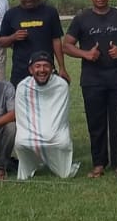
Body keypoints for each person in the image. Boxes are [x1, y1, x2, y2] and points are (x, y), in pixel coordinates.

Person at [64, 0, 117, 177]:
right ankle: (98, 163)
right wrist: (86, 54)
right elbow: (66, 45)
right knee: (95, 123)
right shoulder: (82, 18)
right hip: (92, 79)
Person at [14, 52, 79, 180]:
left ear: (52, 69)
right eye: (37, 66)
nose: (42, 70)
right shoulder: (23, 87)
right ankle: (31, 167)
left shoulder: (61, 85)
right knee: (21, 142)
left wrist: (48, 135)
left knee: (62, 143)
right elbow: (22, 118)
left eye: (46, 66)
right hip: (30, 132)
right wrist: (37, 135)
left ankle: (59, 167)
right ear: (31, 69)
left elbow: (59, 117)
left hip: (55, 132)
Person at [0, 0, 68, 85]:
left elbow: (56, 40)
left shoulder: (50, 12)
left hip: (45, 69)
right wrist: (13, 37)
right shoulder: (11, 14)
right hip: (20, 70)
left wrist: (62, 67)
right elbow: (1, 42)